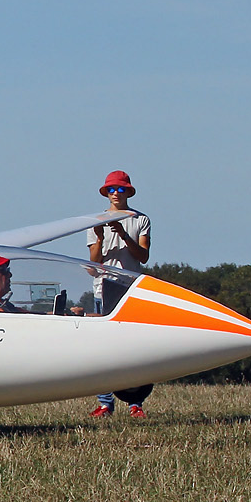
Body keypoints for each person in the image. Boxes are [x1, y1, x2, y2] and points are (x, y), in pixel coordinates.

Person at [87, 170, 153, 418]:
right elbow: (93, 264)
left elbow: (143, 257)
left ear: (129, 192)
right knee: (103, 347)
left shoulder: (140, 220)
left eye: (121, 189)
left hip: (131, 288)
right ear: (106, 193)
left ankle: (136, 402)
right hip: (104, 287)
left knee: (135, 346)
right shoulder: (94, 221)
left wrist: (124, 234)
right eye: (112, 190)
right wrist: (100, 237)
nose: (116, 193)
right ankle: (105, 403)